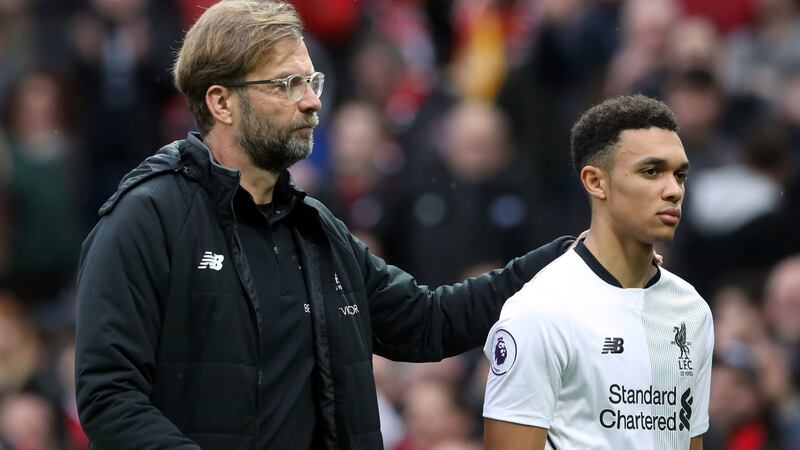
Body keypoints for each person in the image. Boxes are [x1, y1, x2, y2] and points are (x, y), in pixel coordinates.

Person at [72, 1, 572, 449]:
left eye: (312, 82)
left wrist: (570, 259)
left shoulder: (316, 228)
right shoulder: (148, 216)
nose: (311, 101)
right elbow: (108, 396)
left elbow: (428, 322)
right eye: (286, 84)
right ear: (221, 103)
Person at [482, 95, 714, 449]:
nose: (674, 191)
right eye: (651, 171)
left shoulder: (692, 309)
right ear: (595, 182)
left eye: (679, 175)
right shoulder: (539, 311)